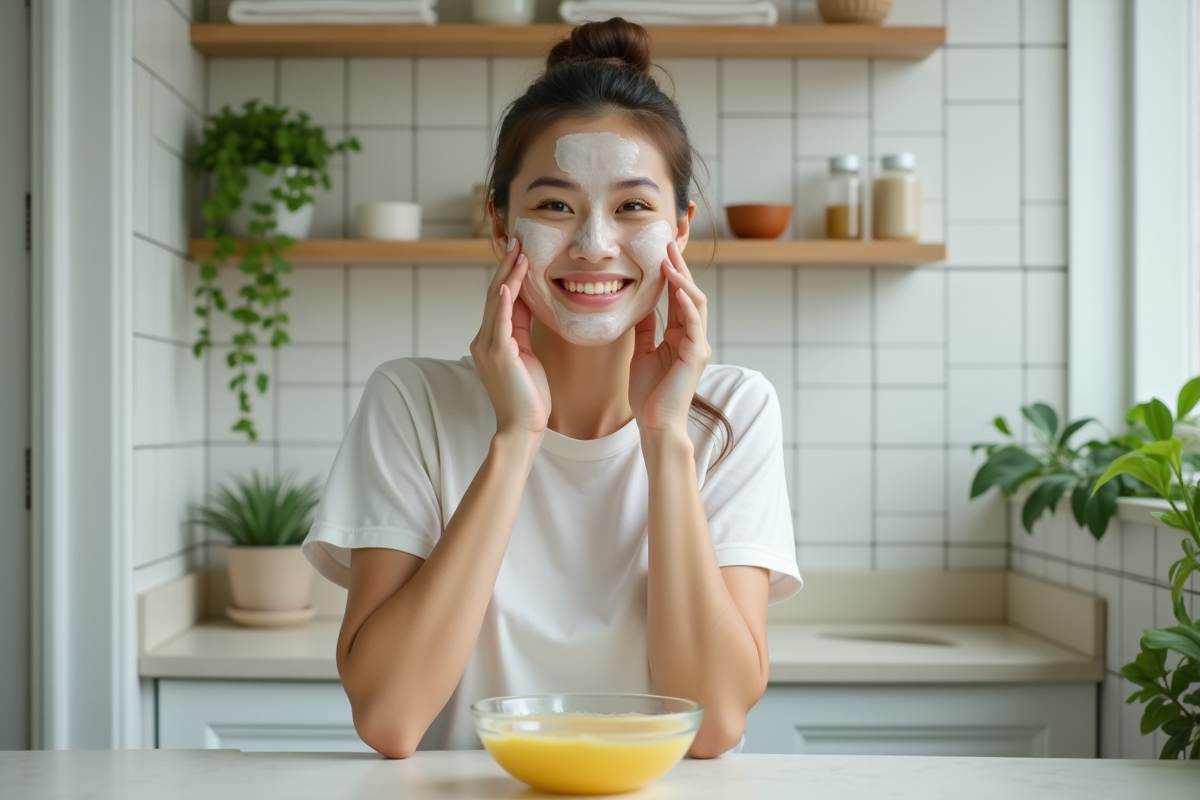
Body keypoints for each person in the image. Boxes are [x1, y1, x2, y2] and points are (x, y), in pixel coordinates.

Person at [302, 17, 802, 760]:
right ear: (501, 222)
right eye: (555, 206)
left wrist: (664, 441)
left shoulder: (730, 412)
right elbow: (389, 717)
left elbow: (716, 723)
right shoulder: (412, 403)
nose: (595, 244)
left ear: (682, 228)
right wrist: (514, 439)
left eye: (633, 207)